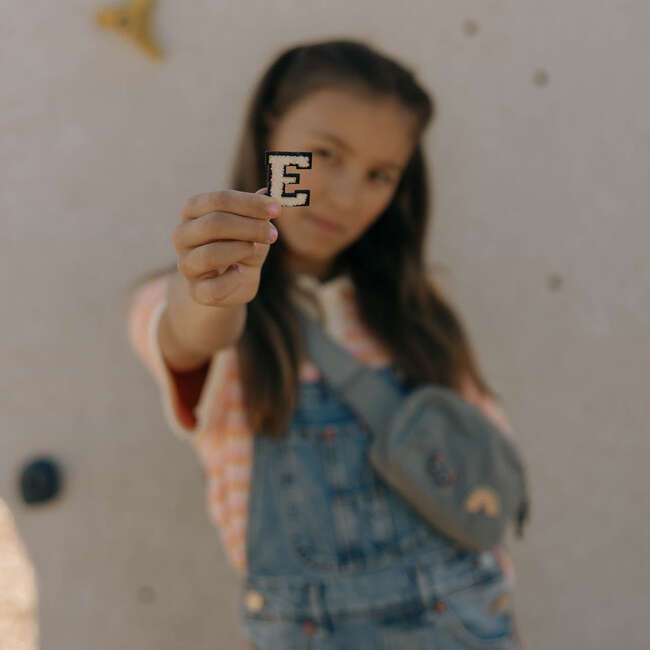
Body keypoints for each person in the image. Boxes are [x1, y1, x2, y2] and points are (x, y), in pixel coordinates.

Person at [126, 38, 527, 650]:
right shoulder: (176, 299)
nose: (343, 196)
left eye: (379, 175)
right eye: (323, 154)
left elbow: (482, 469)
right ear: (270, 131)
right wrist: (210, 295)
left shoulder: (421, 309)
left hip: (467, 622)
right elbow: (187, 337)